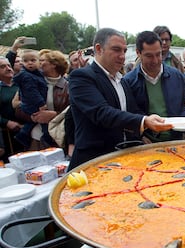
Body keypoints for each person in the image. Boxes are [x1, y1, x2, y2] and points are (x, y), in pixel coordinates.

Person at [68, 28, 173, 170]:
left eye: (124, 51)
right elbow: (102, 112)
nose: (122, 56)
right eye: (116, 50)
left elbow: (131, 110)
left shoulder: (121, 81)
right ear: (99, 49)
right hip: (93, 163)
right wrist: (144, 121)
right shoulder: (81, 77)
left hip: (121, 161)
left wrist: (149, 123)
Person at [123, 31, 185, 143]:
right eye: (149, 56)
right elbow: (130, 114)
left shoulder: (176, 76)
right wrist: (140, 136)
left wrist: (183, 123)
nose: (155, 60)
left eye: (158, 54)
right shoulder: (129, 81)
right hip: (145, 143)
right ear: (138, 53)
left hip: (175, 140)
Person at [28, 49, 70, 151]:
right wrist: (32, 116)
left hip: (61, 133)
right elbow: (18, 109)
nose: (39, 63)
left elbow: (74, 111)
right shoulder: (32, 83)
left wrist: (55, 115)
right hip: (37, 134)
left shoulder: (68, 86)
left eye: (42, 60)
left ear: (54, 64)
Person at [13, 49, 51, 149]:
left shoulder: (36, 73)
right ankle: (46, 138)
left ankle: (23, 134)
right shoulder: (27, 76)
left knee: (32, 122)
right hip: (32, 104)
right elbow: (32, 92)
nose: (29, 63)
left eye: (33, 60)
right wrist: (41, 104)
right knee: (43, 122)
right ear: (22, 63)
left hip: (30, 104)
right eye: (26, 61)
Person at [0, 56, 25, 159]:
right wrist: (7, 122)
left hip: (27, 131)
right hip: (7, 136)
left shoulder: (22, 84)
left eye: (9, 65)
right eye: (2, 66)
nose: (8, 68)